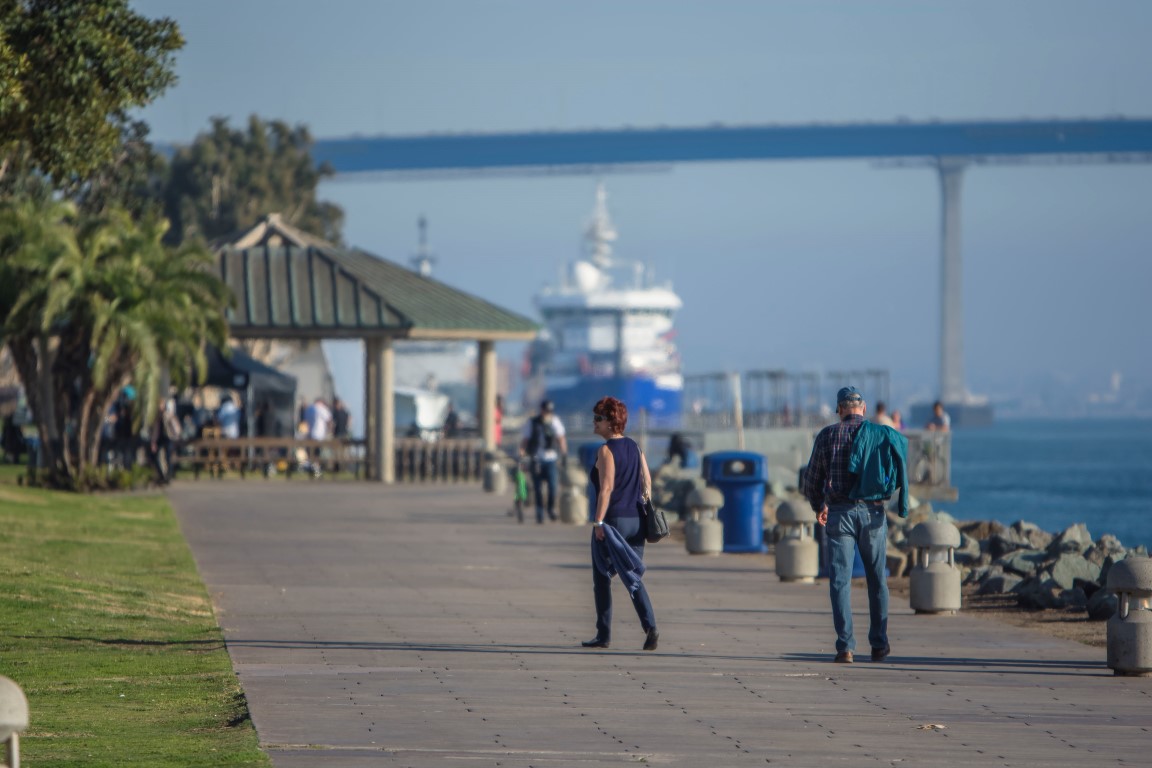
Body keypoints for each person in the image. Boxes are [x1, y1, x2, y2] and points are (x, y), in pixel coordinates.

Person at [802, 386, 908, 664]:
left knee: (840, 581)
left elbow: (811, 480)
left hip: (839, 512)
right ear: (863, 408)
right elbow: (896, 472)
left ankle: (845, 647)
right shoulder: (880, 434)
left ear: (839, 409)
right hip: (873, 513)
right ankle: (879, 644)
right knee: (877, 580)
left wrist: (819, 506)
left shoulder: (826, 436)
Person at [583, 396, 659, 651]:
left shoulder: (605, 450)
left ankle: (603, 635)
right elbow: (647, 481)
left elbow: (606, 489)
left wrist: (598, 522)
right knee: (632, 576)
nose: (593, 423)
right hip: (636, 520)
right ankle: (650, 627)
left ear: (610, 422)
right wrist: (643, 503)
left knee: (602, 578)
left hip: (612, 521)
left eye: (598, 418)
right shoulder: (635, 447)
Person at [519, 399, 568, 523]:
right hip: (536, 459)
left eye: (549, 411)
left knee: (553, 487)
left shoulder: (554, 422)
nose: (547, 413)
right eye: (546, 411)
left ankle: (551, 508)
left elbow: (561, 438)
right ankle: (540, 513)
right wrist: (522, 454)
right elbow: (525, 440)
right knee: (538, 488)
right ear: (541, 410)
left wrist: (564, 454)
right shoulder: (532, 422)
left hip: (550, 459)